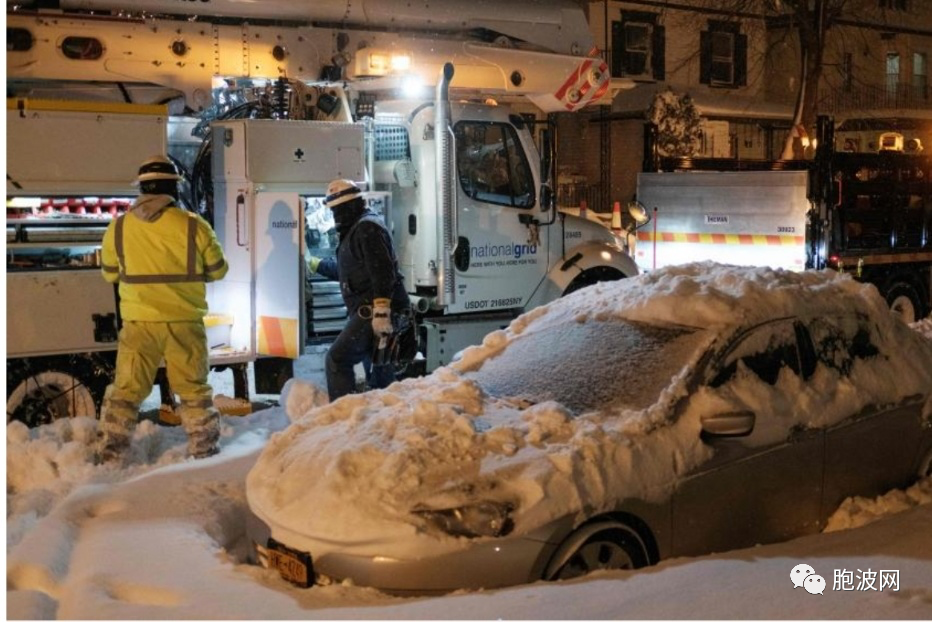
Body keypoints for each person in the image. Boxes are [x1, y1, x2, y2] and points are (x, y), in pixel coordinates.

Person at [97, 156, 229, 463]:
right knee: (194, 391)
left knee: (126, 392)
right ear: (174, 188)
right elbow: (218, 270)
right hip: (184, 323)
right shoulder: (195, 226)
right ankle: (204, 452)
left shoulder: (118, 228)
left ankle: (111, 454)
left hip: (139, 324)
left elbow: (109, 274)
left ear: (142, 188)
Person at [306, 179, 411, 401]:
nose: (334, 216)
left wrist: (381, 313)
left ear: (347, 207)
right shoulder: (357, 227)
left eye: (336, 210)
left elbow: (382, 271)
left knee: (337, 359)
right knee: (380, 372)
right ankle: (382, 419)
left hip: (375, 311)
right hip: (372, 310)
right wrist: (316, 264)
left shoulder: (367, 228)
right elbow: (350, 272)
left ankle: (342, 417)